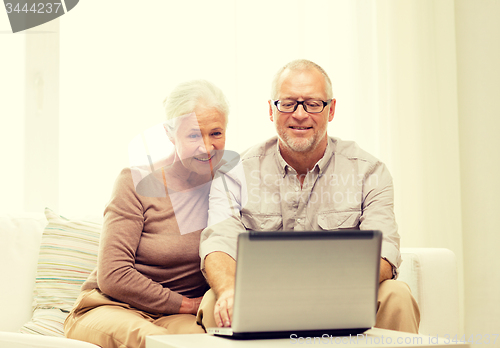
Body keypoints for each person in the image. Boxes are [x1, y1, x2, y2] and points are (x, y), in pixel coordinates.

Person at [197, 59, 420, 333]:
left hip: (345, 294)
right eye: (288, 103)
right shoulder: (234, 173)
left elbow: (385, 251)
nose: (300, 114)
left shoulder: (369, 172)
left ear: (331, 109)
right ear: (271, 109)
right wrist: (230, 290)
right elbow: (218, 243)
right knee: (213, 302)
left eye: (313, 104)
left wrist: (326, 292)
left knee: (397, 295)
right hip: (261, 297)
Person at [64, 80, 229, 348]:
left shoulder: (227, 189)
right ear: (170, 134)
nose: (207, 147)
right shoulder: (135, 182)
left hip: (174, 317)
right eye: (194, 135)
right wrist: (184, 303)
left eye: (216, 133)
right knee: (153, 341)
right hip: (109, 307)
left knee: (204, 343)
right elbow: (113, 274)